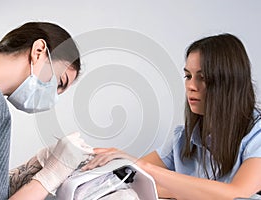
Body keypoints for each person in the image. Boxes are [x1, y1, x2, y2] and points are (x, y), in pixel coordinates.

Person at [82, 33, 261, 199]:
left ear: (229, 82)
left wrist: (143, 167)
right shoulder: (185, 139)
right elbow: (133, 178)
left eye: (203, 77)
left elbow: (237, 194)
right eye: (188, 76)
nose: (191, 86)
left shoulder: (256, 136)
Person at [0, 22, 93, 199]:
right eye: (59, 83)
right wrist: (48, 178)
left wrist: (28, 170)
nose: (54, 98)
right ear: (38, 51)